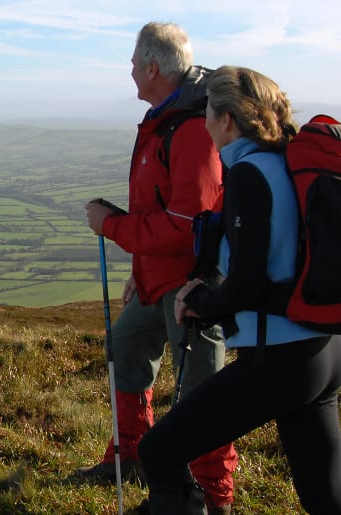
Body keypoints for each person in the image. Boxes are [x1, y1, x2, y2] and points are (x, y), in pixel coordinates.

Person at [138, 65, 341, 514]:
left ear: (226, 119)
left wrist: (198, 304)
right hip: (322, 352)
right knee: (325, 497)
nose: (205, 122)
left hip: (277, 358)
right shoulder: (287, 162)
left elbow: (249, 283)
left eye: (208, 111)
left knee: (160, 450)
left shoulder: (250, 173)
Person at [81, 22, 237, 513]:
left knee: (201, 393)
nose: (129, 71)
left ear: (152, 67)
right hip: (157, 279)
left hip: (193, 286)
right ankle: (131, 456)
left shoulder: (191, 128)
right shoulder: (163, 120)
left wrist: (111, 227)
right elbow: (163, 213)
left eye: (132, 62)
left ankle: (214, 496)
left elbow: (184, 224)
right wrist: (138, 267)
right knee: (125, 344)